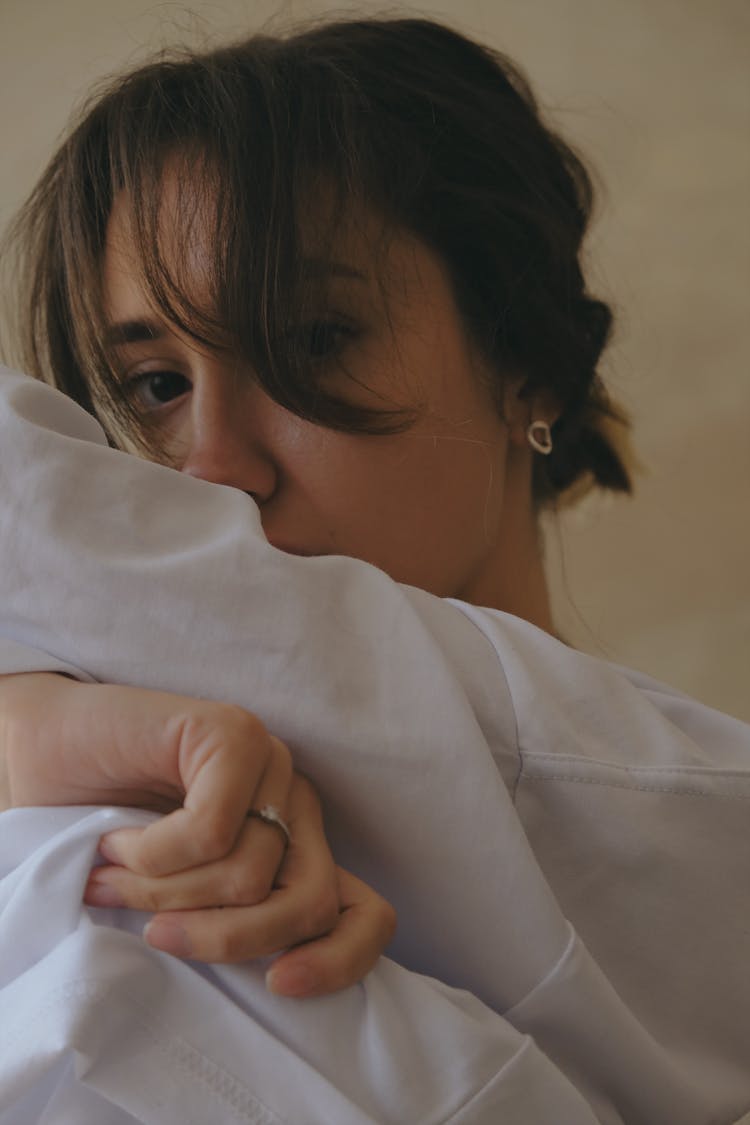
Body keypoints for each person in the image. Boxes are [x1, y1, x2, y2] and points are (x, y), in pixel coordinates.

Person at [0, 16, 749, 1124]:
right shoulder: (88, 816)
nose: (211, 469)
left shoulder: (687, 825)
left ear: (528, 367)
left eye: (310, 341)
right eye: (158, 384)